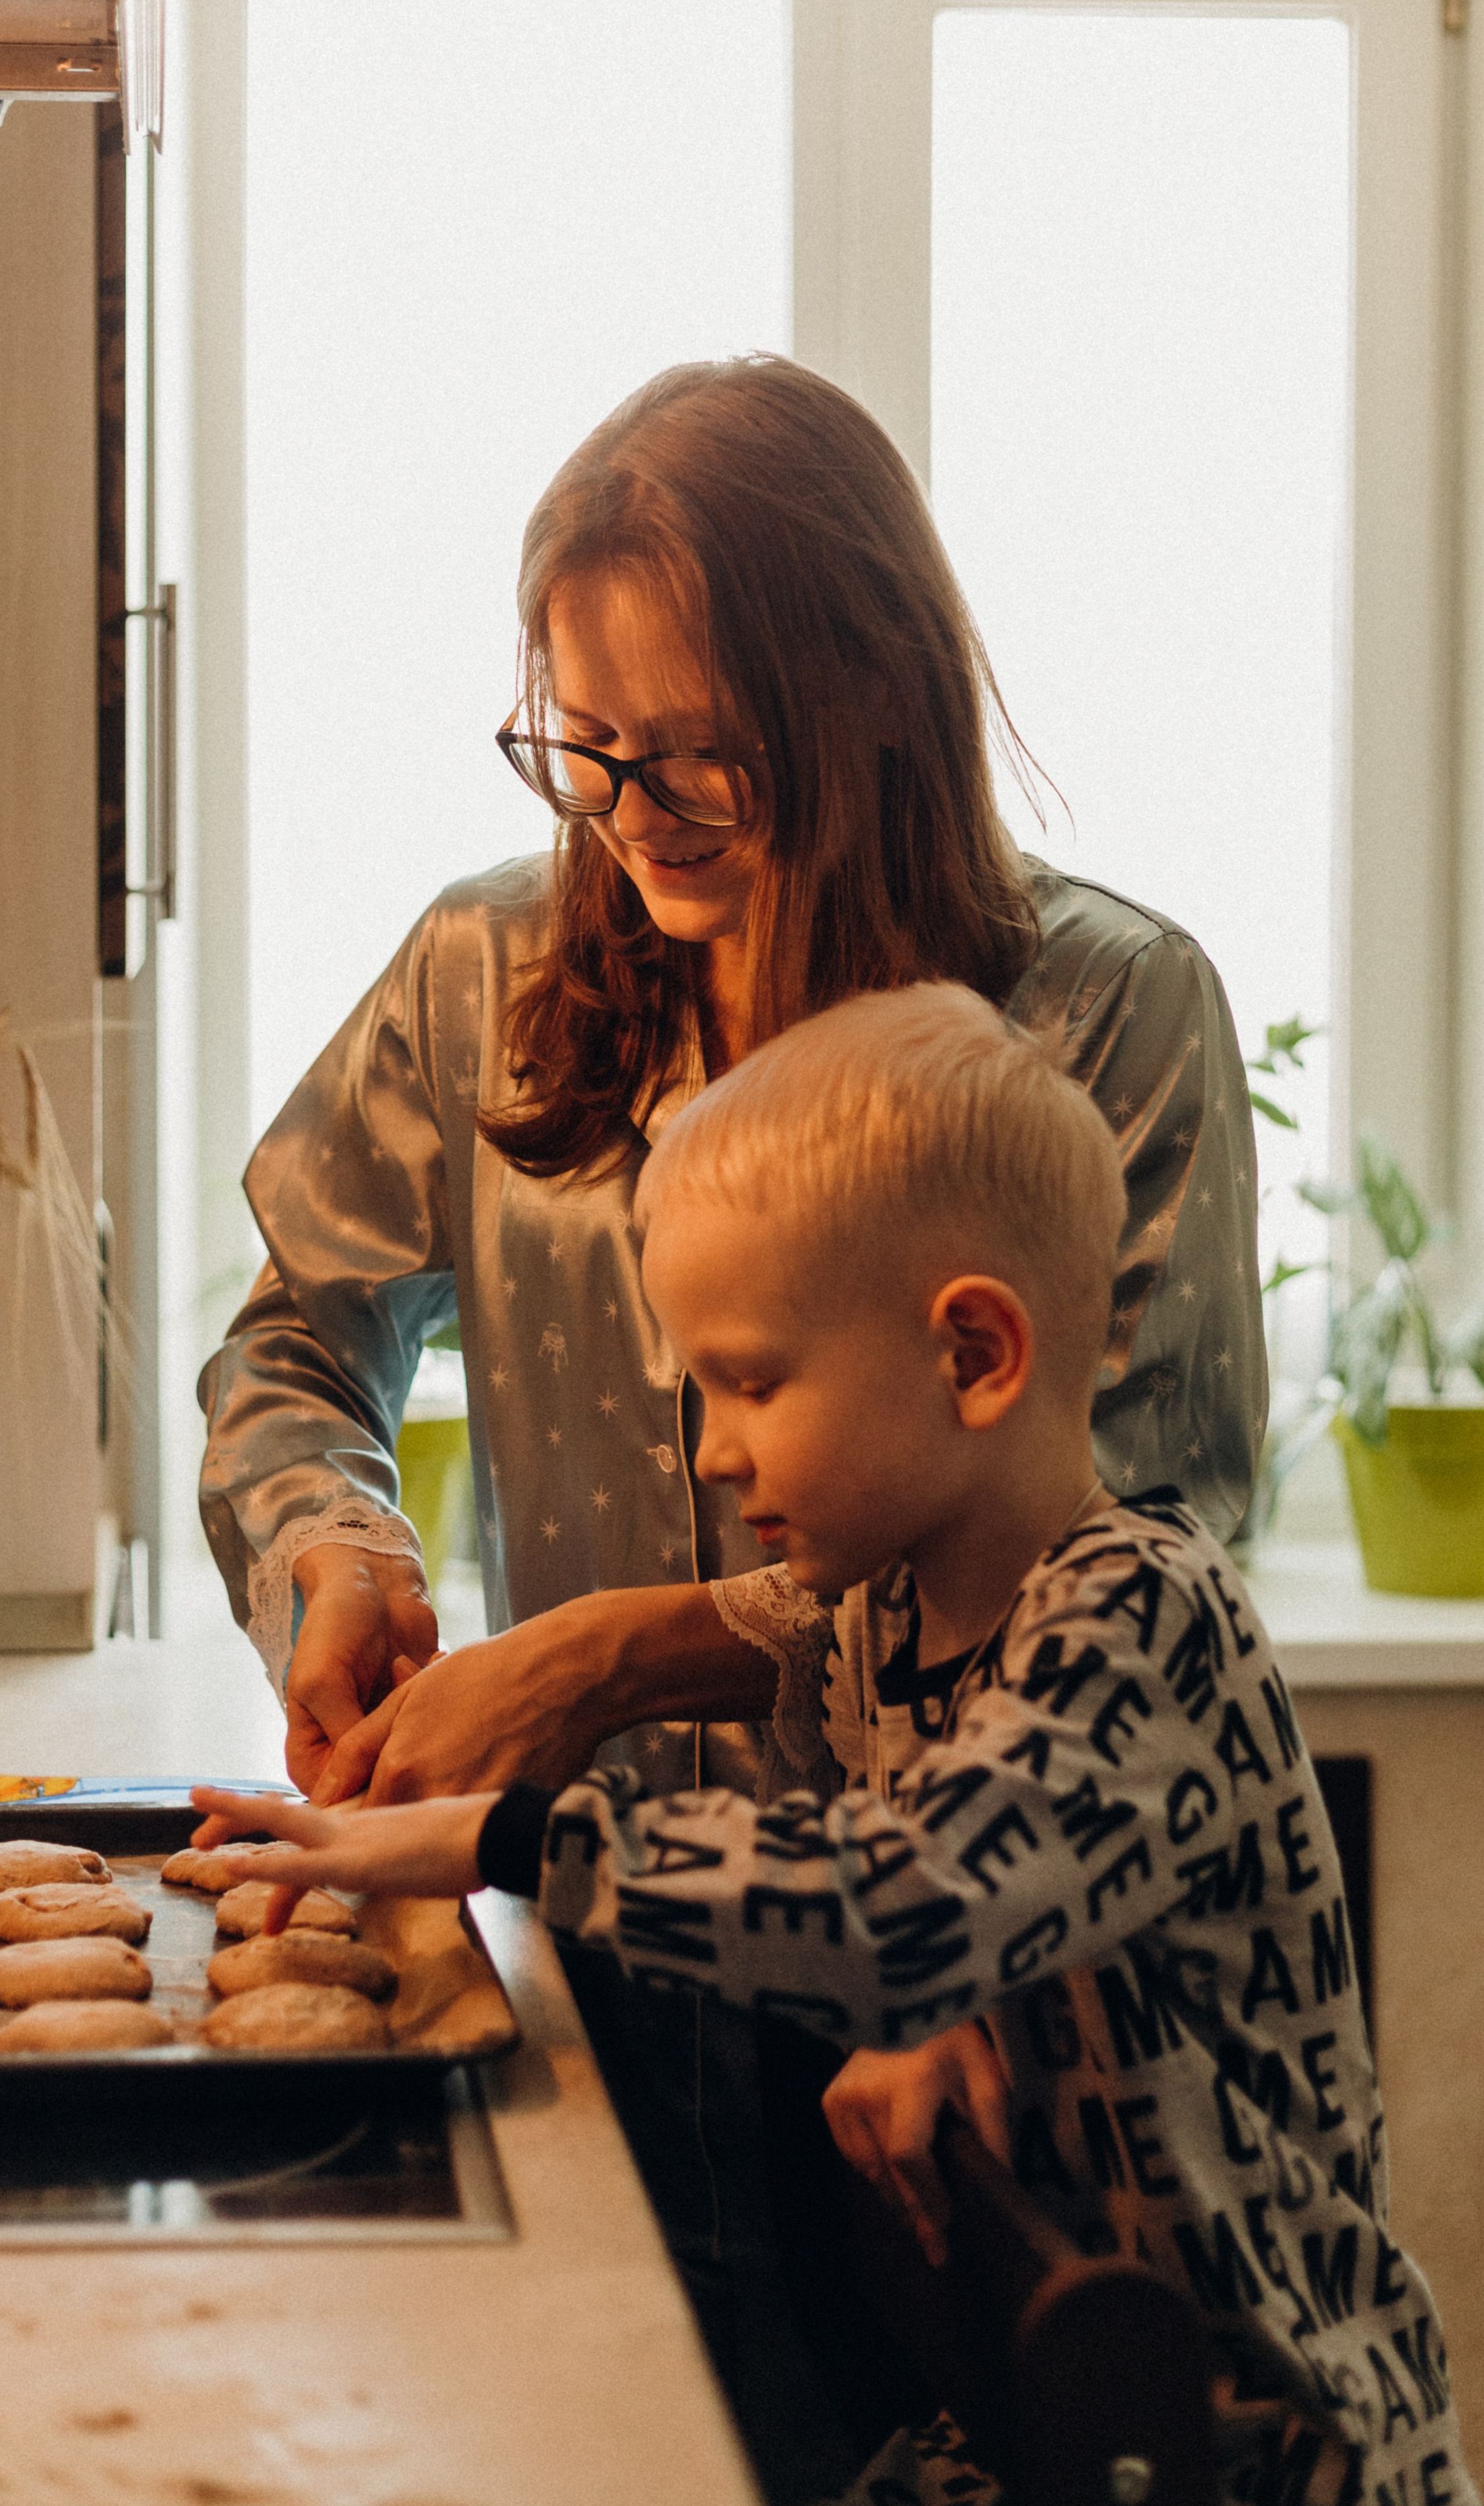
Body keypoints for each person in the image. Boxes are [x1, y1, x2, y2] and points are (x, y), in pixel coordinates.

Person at [197, 354, 1265, 2496]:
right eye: (579, 749)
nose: (626, 815)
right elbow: (291, 1345)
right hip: (598, 1979)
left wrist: (620, 1649)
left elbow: (1129, 1550)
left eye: (698, 757)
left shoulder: (1108, 1016)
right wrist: (342, 1548)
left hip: (973, 2021)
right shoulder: (476, 974)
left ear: (875, 698)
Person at [196, 986, 1468, 2506]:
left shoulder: (1142, 1614)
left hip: (1259, 2437)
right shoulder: (883, 1611)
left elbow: (908, 1903)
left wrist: (499, 1835)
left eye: (749, 1380)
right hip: (1057, 2407)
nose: (714, 1446)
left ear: (975, 1354)